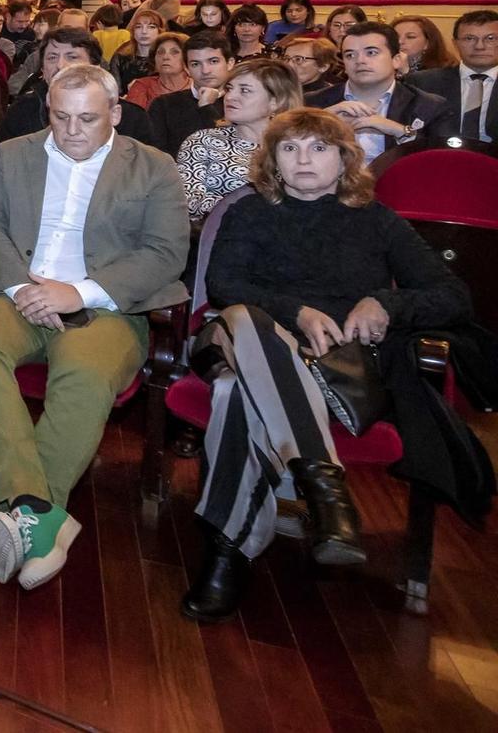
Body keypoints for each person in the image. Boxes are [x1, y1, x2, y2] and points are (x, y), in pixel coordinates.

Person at [182, 108, 476, 623]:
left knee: (233, 397)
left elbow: (453, 295)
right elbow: (225, 286)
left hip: (333, 366)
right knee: (247, 319)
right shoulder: (249, 213)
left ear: (345, 159)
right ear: (272, 160)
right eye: (290, 148)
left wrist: (384, 305)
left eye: (319, 148)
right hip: (240, 339)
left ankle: (226, 553)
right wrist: (296, 311)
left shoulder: (377, 221)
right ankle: (326, 490)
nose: (304, 160)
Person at [0, 64, 189, 591]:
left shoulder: (152, 167)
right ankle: (38, 515)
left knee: (83, 370)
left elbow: (165, 253)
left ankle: (22, 518)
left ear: (115, 113)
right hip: (17, 293)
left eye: (87, 118)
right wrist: (21, 288)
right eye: (61, 117)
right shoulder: (15, 154)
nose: (72, 130)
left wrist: (76, 292)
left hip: (107, 306)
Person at [304, 21, 454, 159]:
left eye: (371, 53)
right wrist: (320, 121)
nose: (360, 60)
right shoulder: (312, 102)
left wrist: (401, 132)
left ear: (396, 60)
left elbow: (442, 161)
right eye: (350, 55)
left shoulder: (428, 106)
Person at [176, 58, 303, 218]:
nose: (230, 97)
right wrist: (254, 208)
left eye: (245, 90)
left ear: (275, 102)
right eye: (229, 89)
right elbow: (188, 201)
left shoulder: (298, 147)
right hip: (218, 235)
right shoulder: (203, 141)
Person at [1, 29, 154, 146]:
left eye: (72, 57)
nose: (60, 65)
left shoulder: (131, 117)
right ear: (42, 69)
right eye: (52, 57)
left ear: (95, 66)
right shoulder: (21, 111)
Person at [407, 9, 496, 144]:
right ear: (455, 43)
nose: (479, 46)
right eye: (469, 38)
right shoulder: (423, 82)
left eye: (490, 38)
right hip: (440, 157)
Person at [149, 30, 231, 158]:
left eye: (213, 61)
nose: (205, 70)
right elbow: (156, 157)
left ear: (230, 63)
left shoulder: (243, 103)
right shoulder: (164, 105)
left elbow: (228, 151)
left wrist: (206, 107)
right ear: (186, 68)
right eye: (195, 64)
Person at [124, 31, 191, 111]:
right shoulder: (142, 86)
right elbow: (132, 120)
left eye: (174, 52)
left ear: (187, 58)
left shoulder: (198, 87)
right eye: (160, 52)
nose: (165, 57)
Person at [110, 9, 167, 94]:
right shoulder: (120, 57)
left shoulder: (166, 58)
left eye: (151, 27)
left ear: (160, 31)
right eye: (138, 27)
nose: (144, 32)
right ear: (133, 31)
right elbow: (114, 91)